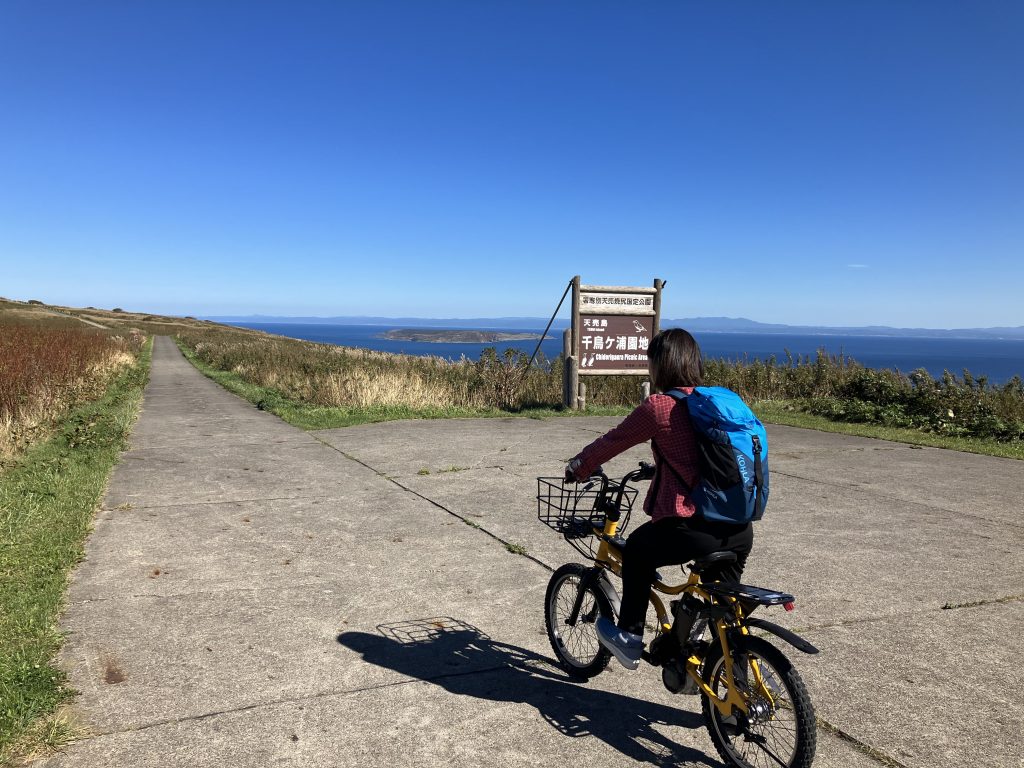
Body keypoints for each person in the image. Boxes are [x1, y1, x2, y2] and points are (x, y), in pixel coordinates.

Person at [564, 328, 754, 670]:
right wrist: (661, 467)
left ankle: (629, 636)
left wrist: (579, 466)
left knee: (637, 550)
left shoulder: (660, 407)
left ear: (659, 364)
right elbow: (707, 459)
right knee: (725, 616)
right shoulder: (717, 404)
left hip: (692, 529)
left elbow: (614, 441)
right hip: (739, 527)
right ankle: (733, 676)